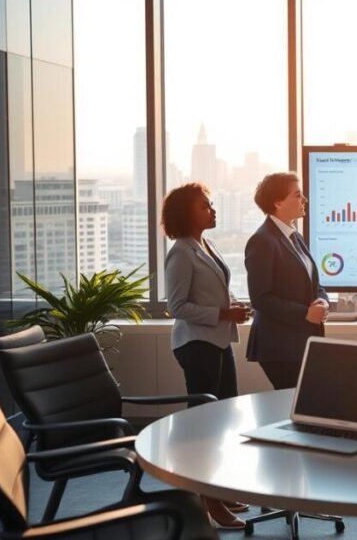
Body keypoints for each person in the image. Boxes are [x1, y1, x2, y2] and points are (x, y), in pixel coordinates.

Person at [162, 182, 250, 530]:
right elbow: (176, 306)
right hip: (196, 344)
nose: (213, 210)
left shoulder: (204, 244)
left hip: (215, 341)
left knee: (223, 418)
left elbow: (212, 292)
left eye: (212, 204)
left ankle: (219, 490)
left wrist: (231, 309)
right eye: (205, 206)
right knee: (205, 427)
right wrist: (222, 314)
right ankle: (207, 501)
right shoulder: (181, 252)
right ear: (187, 212)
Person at [245, 172, 329, 390]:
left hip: (301, 342)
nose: (305, 200)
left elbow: (314, 284)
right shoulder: (262, 241)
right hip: (279, 346)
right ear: (278, 202)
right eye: (298, 195)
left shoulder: (294, 236)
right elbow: (261, 298)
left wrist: (323, 301)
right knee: (293, 408)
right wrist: (305, 313)